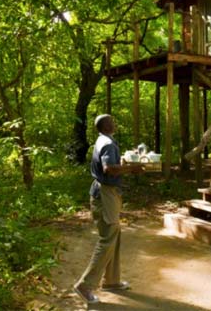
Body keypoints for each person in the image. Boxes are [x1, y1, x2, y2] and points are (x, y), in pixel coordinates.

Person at [73, 114, 143, 304]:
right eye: (112, 120)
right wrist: (131, 169)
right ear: (106, 126)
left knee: (114, 235)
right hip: (105, 194)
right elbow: (108, 168)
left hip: (105, 193)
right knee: (107, 239)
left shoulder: (104, 140)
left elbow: (111, 164)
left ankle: (111, 281)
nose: (115, 122)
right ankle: (85, 285)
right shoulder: (108, 143)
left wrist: (124, 161)